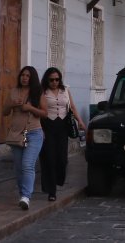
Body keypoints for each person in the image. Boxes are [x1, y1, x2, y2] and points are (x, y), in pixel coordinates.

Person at [39, 67, 86, 202]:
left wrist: (81, 122)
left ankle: (59, 180)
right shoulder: (43, 92)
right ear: (47, 80)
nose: (54, 82)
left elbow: (72, 107)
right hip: (48, 125)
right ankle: (51, 191)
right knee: (50, 159)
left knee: (62, 159)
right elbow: (39, 110)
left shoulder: (65, 90)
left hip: (63, 127)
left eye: (57, 79)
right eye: (51, 80)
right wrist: (39, 129)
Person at [2, 66, 46, 210]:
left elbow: (45, 113)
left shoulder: (38, 93)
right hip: (16, 134)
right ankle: (23, 195)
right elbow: (4, 112)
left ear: (32, 77)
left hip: (34, 133)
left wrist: (30, 108)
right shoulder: (14, 91)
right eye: (22, 75)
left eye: (27, 75)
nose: (24, 78)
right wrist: (11, 104)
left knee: (27, 165)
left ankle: (26, 196)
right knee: (19, 167)